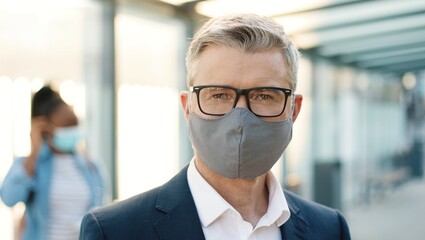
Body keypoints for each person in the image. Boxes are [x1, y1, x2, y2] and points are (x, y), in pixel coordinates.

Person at [79, 14, 351, 239]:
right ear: (188, 107)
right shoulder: (114, 232)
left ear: (294, 110)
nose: (240, 116)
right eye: (219, 95)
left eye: (264, 95)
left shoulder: (329, 229)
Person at [0, 85, 105, 240]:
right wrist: (35, 151)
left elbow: (102, 212)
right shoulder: (33, 165)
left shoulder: (91, 167)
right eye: (66, 127)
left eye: (74, 125)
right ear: (47, 128)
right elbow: (9, 197)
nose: (73, 131)